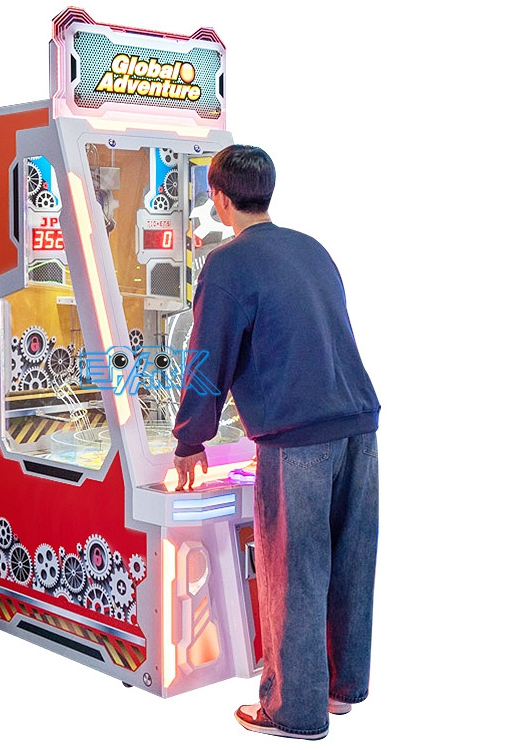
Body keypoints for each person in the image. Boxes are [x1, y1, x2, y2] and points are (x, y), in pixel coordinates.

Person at [172, 145, 380, 740]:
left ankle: (293, 712)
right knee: (349, 565)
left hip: (297, 439)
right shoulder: (312, 248)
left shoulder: (227, 264)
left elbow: (207, 358)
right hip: (357, 425)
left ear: (218, 198)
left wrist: (190, 440)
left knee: (296, 573)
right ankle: (340, 690)